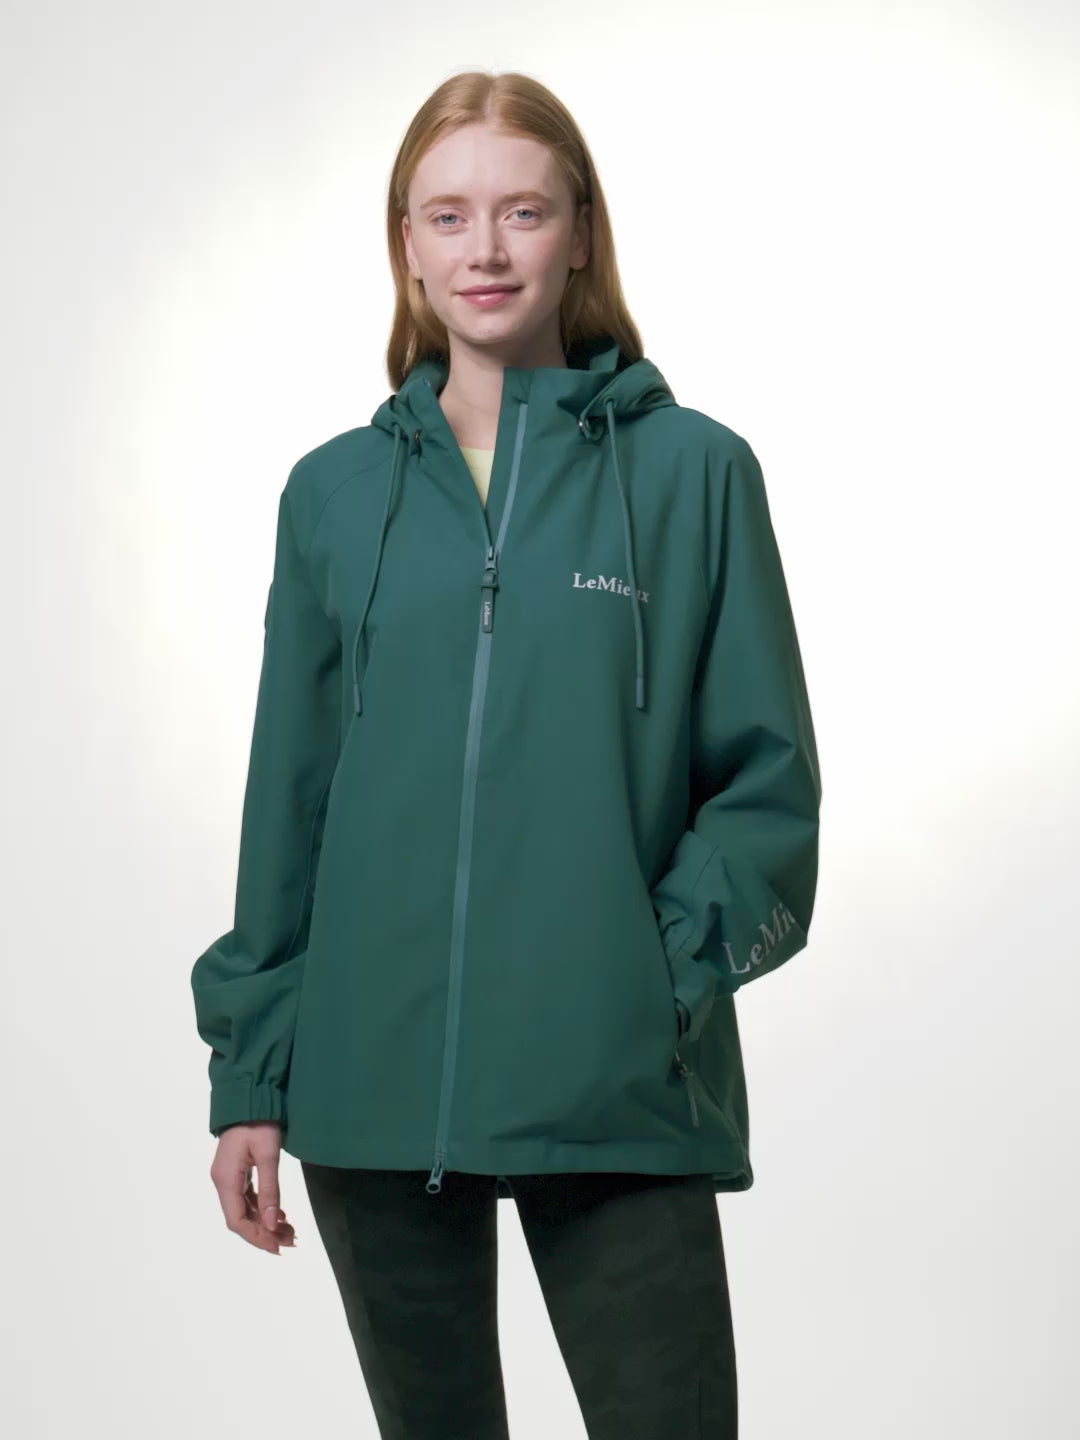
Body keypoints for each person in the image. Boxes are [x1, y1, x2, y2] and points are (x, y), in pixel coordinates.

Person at [190, 68, 822, 1440]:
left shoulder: (695, 474)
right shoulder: (333, 494)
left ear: (581, 232)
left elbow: (767, 786)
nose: (485, 249)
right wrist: (253, 1078)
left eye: (524, 211)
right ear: (407, 246)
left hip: (614, 1087)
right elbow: (289, 803)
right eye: (449, 216)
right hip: (370, 1093)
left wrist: (649, 983)